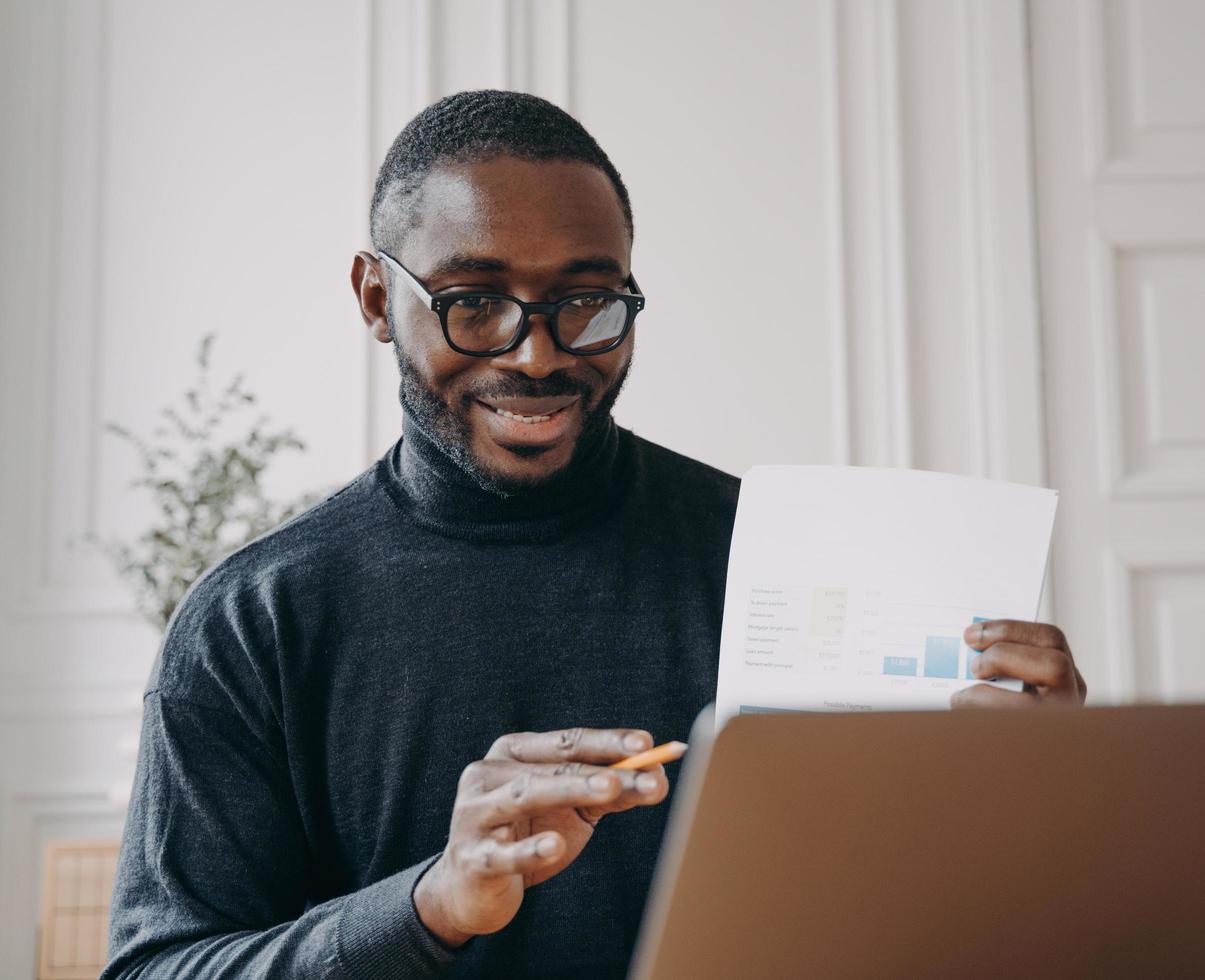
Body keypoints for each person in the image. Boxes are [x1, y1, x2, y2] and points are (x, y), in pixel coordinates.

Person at [102, 90, 1086, 979]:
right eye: (474, 301)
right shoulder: (254, 618)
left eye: (586, 301)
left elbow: (941, 924)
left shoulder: (787, 559)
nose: (538, 354)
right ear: (375, 298)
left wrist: (1035, 807)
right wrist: (430, 904)